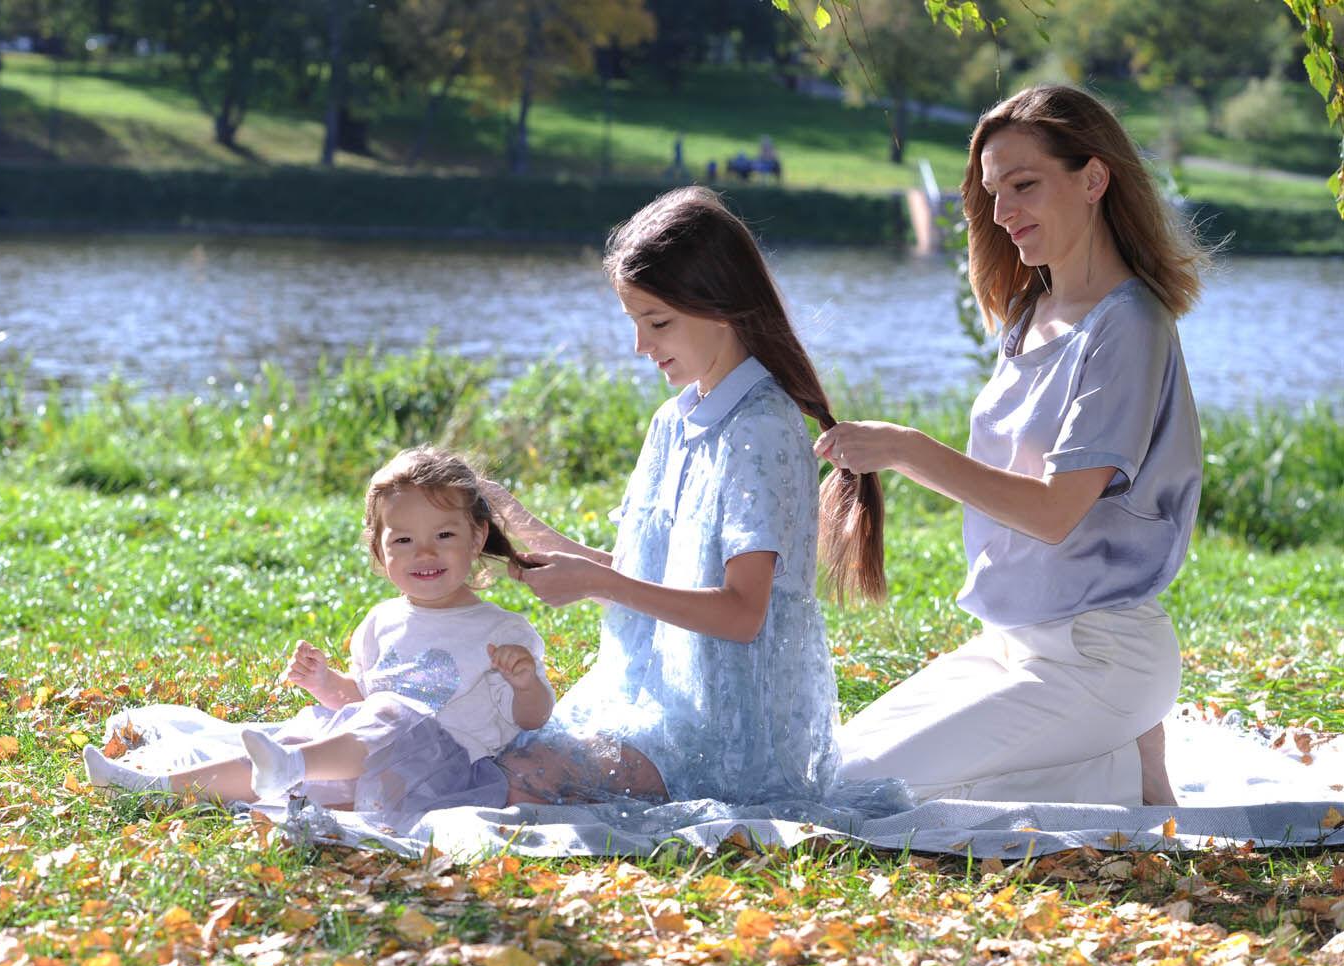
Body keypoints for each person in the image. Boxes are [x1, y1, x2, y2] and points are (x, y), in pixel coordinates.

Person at [816, 84, 1208, 808]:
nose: (1001, 213)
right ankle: (1119, 758)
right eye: (992, 191)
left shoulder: (1130, 326)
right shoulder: (1031, 313)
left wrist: (904, 449)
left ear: (1093, 179)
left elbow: (1055, 512)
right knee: (824, 769)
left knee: (850, 797)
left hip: (1097, 656)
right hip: (1009, 643)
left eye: (1023, 185)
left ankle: (1123, 759)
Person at [484, 186, 899, 812]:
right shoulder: (672, 422)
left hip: (729, 740)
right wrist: (519, 526)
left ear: (721, 306)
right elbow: (645, 573)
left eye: (657, 323)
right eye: (634, 323)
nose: (641, 348)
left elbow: (741, 614)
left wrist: (598, 586)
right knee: (480, 752)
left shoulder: (760, 428)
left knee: (515, 779)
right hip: (648, 701)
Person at [83, 447, 555, 812]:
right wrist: (326, 684)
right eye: (404, 541)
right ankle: (153, 785)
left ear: (475, 537)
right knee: (294, 745)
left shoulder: (500, 629)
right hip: (362, 764)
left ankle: (290, 769)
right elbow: (361, 702)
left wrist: (526, 682)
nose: (424, 554)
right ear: (379, 551)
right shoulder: (382, 621)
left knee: (387, 719)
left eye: (444, 536)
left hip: (437, 771)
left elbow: (533, 720)